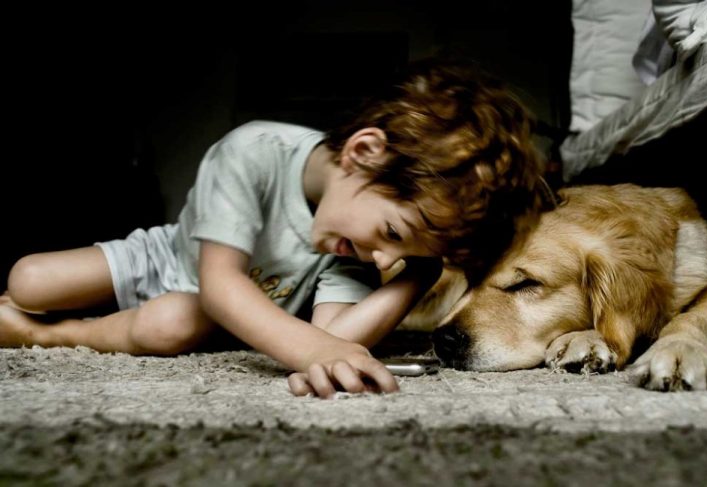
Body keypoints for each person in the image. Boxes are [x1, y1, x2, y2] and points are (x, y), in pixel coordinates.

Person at [0, 59, 545, 398]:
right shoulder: (254, 150)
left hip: (206, 314)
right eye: (395, 234)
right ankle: (58, 314)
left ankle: (50, 336)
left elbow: (337, 340)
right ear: (364, 153)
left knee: (171, 322)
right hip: (168, 260)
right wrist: (307, 351)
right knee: (29, 280)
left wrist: (418, 273)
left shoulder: (354, 236)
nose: (381, 259)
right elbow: (220, 283)